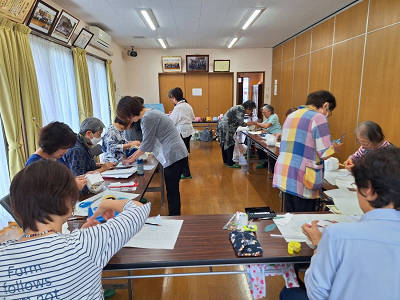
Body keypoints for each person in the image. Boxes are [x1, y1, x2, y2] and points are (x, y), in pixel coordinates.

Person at [0, 160, 150, 299]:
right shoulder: (85, 244)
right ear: (68, 200)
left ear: (16, 208)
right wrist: (107, 204)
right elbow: (138, 210)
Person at [280, 147, 400, 300]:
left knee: (289, 293)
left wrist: (319, 246)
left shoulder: (338, 235)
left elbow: (316, 294)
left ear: (368, 190)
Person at [117, 96, 188, 216]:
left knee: (172, 191)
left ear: (130, 113)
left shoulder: (147, 118)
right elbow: (148, 143)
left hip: (174, 155)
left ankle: (174, 218)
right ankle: (175, 216)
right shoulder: (151, 113)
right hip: (176, 153)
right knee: (172, 190)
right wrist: (132, 157)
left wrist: (131, 159)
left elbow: (147, 145)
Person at [273, 90, 342, 212]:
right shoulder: (318, 118)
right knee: (304, 217)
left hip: (286, 173)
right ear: (325, 105)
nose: (329, 114)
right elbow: (324, 153)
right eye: (330, 110)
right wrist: (334, 148)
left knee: (291, 215)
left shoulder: (292, 115)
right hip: (304, 177)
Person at [26, 121, 86, 190]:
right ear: (53, 144)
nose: (66, 151)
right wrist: (72, 186)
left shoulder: (55, 157)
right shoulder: (34, 163)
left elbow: (58, 182)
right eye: (64, 148)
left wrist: (72, 181)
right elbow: (44, 194)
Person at [217, 101, 257, 168]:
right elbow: (241, 123)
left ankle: (226, 161)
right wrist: (254, 123)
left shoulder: (239, 107)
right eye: (251, 110)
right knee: (230, 144)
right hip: (226, 127)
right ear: (248, 108)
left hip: (223, 126)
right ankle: (230, 163)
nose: (251, 112)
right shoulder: (241, 109)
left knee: (224, 143)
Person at [168, 87, 195, 179]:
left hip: (182, 132)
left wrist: (171, 115)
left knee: (182, 153)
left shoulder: (178, 107)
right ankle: (185, 172)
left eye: (171, 98)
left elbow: (172, 122)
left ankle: (186, 173)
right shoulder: (188, 105)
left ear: (174, 97)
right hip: (189, 131)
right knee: (184, 152)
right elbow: (193, 118)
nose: (172, 100)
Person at [255, 104, 282, 169]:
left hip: (276, 136)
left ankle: (269, 166)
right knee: (259, 145)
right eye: (263, 113)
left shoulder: (274, 116)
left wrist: (256, 123)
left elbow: (266, 125)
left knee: (271, 151)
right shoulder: (269, 118)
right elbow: (263, 125)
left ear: (269, 111)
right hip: (270, 135)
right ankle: (264, 162)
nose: (263, 114)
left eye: (264, 113)